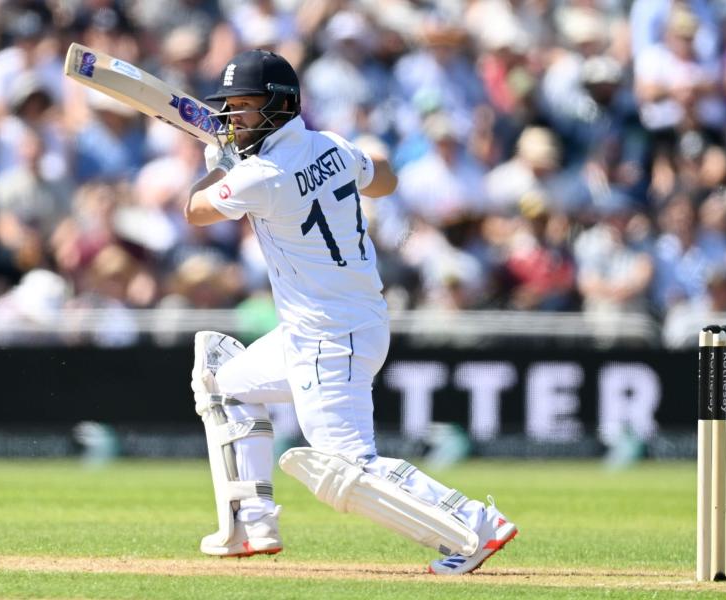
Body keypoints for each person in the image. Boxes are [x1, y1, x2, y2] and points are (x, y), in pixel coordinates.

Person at [184, 49, 516, 575]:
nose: (231, 119)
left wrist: (221, 167)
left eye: (243, 107)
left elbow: (195, 212)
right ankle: (252, 524)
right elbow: (384, 179)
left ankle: (475, 523)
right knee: (224, 383)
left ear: (279, 106)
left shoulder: (259, 175)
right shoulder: (330, 145)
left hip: (327, 337)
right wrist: (247, 160)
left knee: (345, 466)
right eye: (228, 108)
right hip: (346, 321)